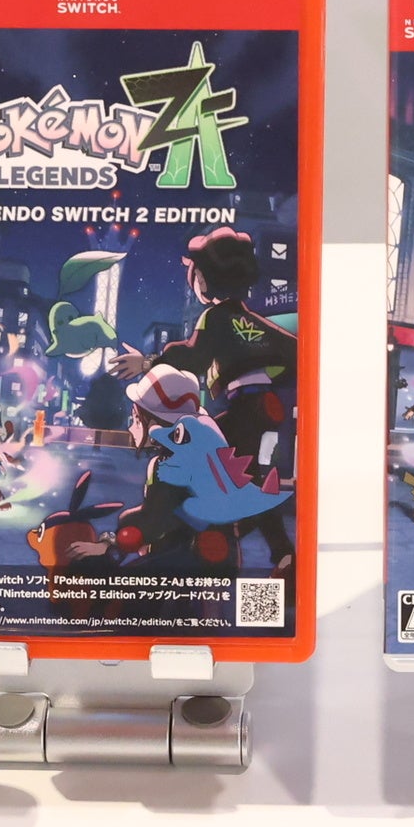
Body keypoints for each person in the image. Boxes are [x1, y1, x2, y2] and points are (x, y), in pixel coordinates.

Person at [116, 226, 298, 488]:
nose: (196, 281)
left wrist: (147, 363)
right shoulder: (250, 320)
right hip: (261, 403)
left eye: (198, 274)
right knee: (238, 464)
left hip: (246, 403)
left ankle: (232, 506)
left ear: (207, 278)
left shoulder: (215, 317)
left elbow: (194, 358)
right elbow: (293, 350)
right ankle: (248, 503)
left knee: (209, 450)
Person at [120, 362, 294, 573]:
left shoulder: (169, 464)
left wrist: (118, 532)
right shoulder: (207, 451)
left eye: (136, 419)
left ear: (153, 423)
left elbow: (154, 521)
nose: (131, 427)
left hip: (181, 559)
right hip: (222, 556)